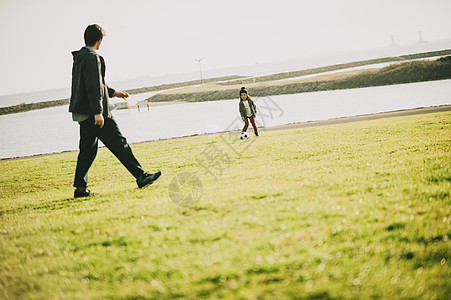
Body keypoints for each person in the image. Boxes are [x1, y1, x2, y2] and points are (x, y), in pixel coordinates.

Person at [69, 24, 161, 198]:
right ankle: (141, 177)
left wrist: (114, 93)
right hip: (96, 113)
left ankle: (80, 189)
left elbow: (96, 84)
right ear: (99, 39)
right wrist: (98, 112)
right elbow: (93, 86)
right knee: (120, 144)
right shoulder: (91, 57)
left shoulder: (80, 57)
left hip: (84, 113)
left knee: (88, 151)